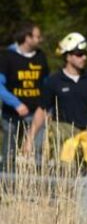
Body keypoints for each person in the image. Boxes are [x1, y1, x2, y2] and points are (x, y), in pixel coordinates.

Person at [23, 33, 87, 168]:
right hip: (63, 138)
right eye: (79, 54)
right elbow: (42, 110)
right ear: (68, 56)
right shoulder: (54, 81)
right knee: (65, 174)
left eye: (85, 54)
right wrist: (30, 139)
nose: (84, 57)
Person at [0, 20, 48, 169]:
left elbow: (46, 84)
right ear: (27, 38)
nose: (39, 39)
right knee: (10, 152)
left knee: (37, 150)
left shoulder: (40, 56)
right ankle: (6, 183)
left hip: (36, 113)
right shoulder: (7, 56)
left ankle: (37, 185)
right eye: (36, 36)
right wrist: (16, 103)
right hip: (12, 114)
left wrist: (47, 107)